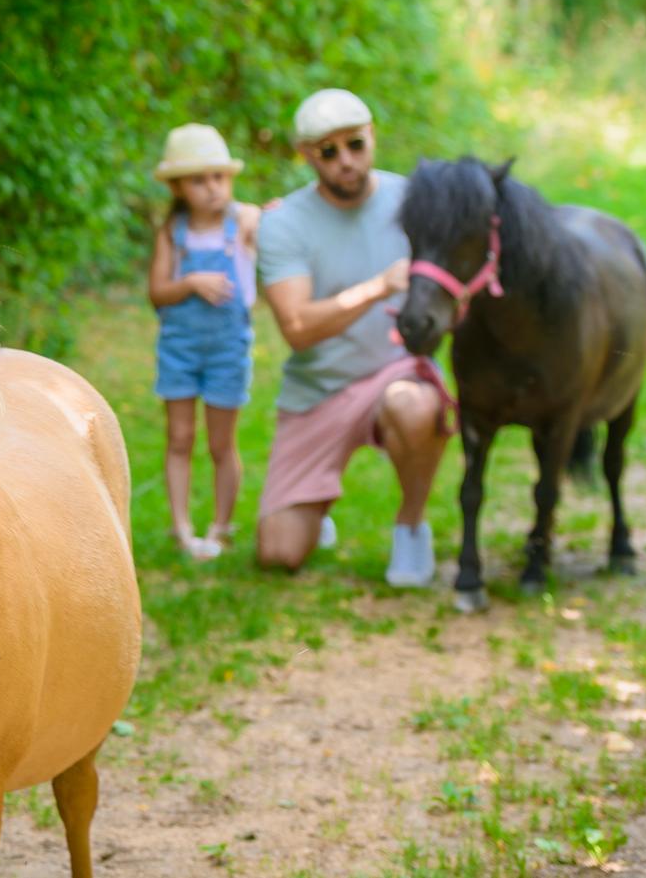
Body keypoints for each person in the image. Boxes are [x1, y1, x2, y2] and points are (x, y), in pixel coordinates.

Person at [255, 89, 451, 583]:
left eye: (355, 144)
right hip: (318, 388)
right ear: (306, 156)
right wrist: (377, 288)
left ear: (372, 138)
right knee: (278, 554)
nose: (345, 160)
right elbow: (297, 329)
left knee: (413, 403)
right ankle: (312, 510)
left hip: (396, 370)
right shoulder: (283, 223)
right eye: (328, 151)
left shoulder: (413, 201)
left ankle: (410, 528)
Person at [147, 124, 260, 560]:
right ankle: (182, 529)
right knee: (179, 438)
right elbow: (158, 294)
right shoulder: (171, 234)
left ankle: (220, 526)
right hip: (179, 350)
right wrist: (190, 282)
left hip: (228, 350)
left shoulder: (245, 224)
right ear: (178, 186)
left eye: (219, 177)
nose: (213, 188)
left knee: (220, 443)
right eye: (199, 179)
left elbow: (275, 223)